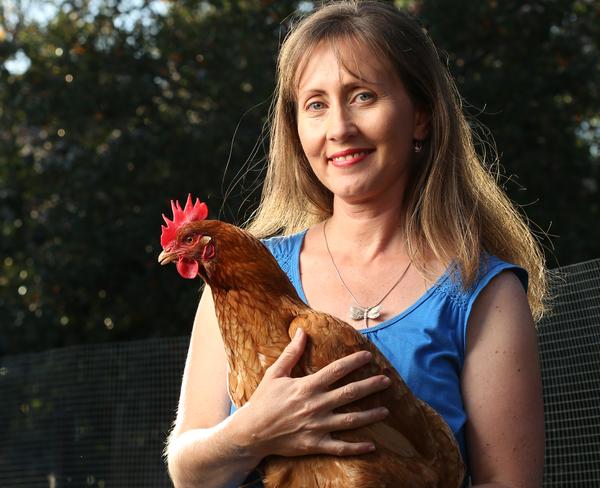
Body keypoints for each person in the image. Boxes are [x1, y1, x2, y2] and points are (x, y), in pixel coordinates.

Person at [165, 1, 546, 487]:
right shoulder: (243, 280)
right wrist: (250, 433)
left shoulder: (481, 292)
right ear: (296, 128)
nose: (339, 128)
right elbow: (187, 470)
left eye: (363, 96)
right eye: (316, 104)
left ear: (421, 116)